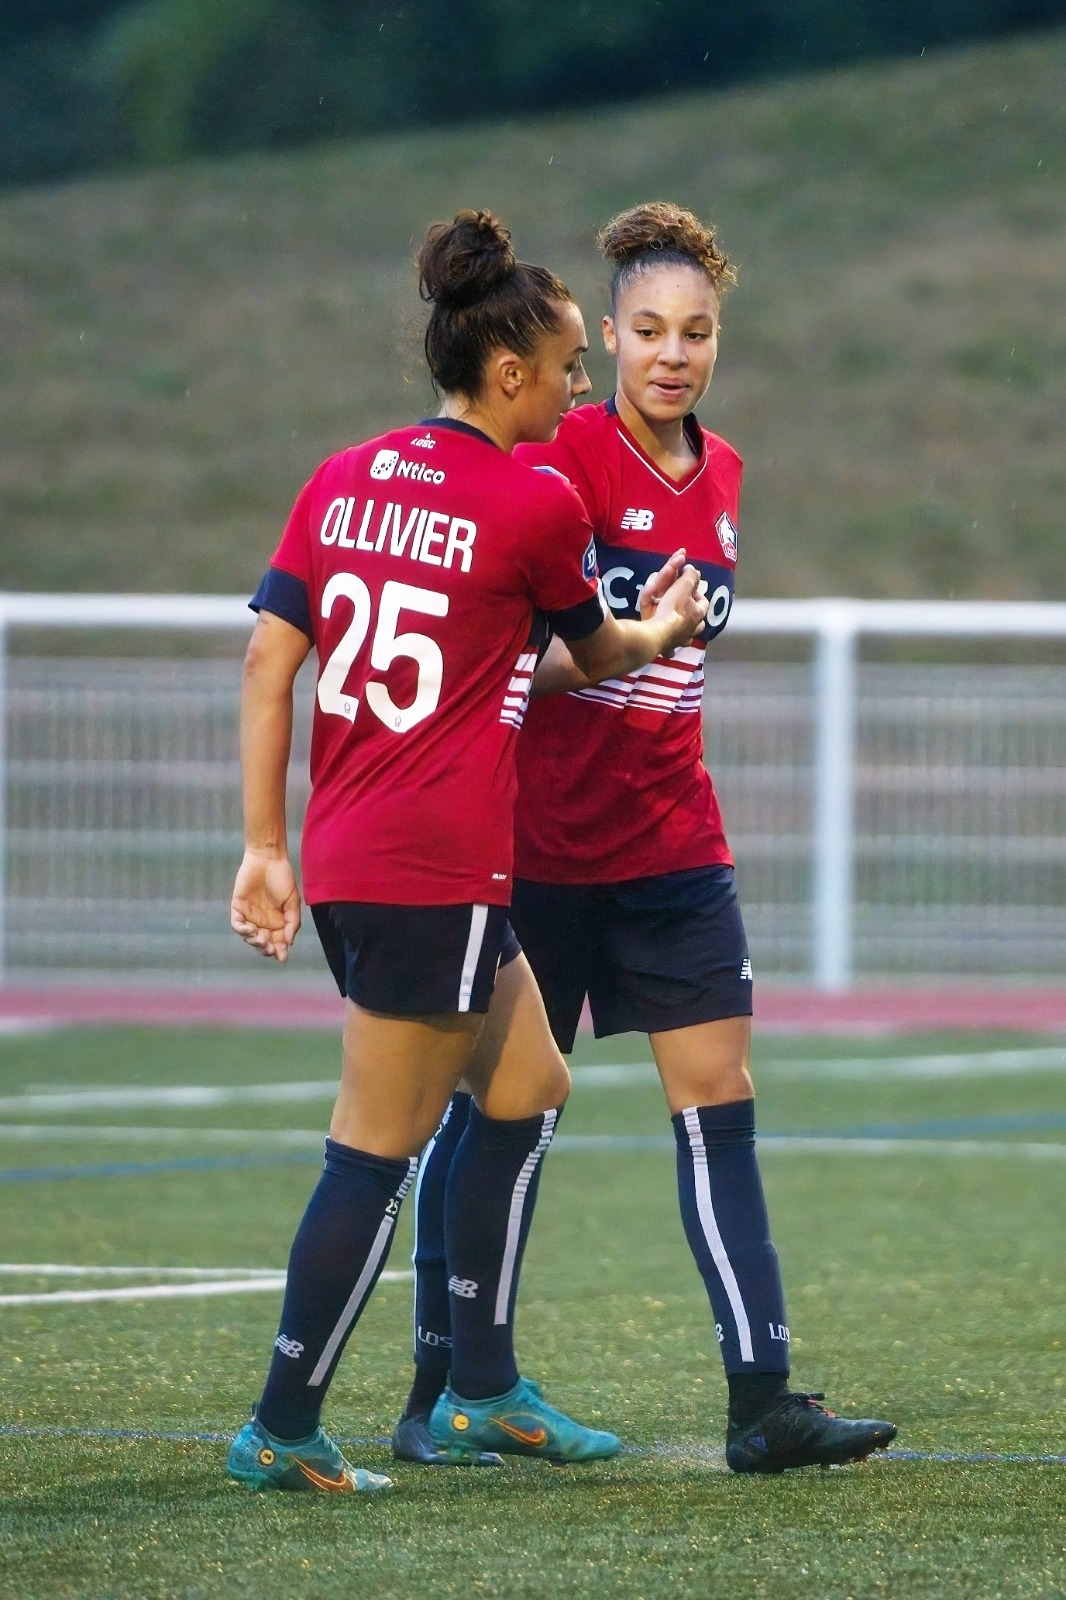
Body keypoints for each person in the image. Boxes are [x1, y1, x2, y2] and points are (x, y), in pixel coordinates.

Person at [396, 202, 898, 1475]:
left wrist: (659, 647)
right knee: (501, 1118)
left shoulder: (722, 475)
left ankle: (762, 1402)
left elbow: (672, 662)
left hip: (674, 846)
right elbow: (506, 658)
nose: (673, 354)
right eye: (649, 331)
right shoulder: (555, 460)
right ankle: (443, 1385)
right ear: (607, 336)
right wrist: (632, 641)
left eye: (699, 333)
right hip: (542, 850)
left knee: (719, 1105)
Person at [226, 207, 710, 1492]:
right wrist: (658, 627)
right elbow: (593, 656)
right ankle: (282, 1423)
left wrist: (263, 846)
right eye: (565, 366)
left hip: (356, 850)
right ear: (508, 374)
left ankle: (484, 1387)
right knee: (371, 1151)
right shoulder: (534, 496)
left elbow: (274, 657)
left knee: (527, 1085)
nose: (578, 387)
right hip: (429, 868)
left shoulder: (341, 476)